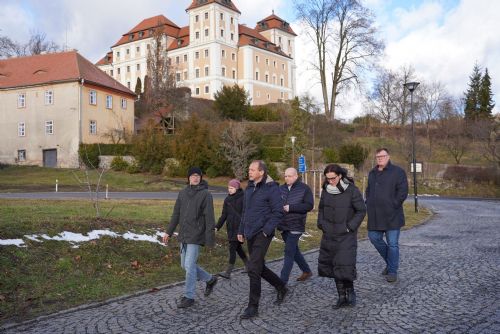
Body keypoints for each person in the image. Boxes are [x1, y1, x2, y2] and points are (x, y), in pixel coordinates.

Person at [237, 160, 288, 319]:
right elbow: (245, 211)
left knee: (253, 268)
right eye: (249, 170)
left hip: (263, 233)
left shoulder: (271, 188)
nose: (249, 172)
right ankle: (281, 286)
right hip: (250, 232)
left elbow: (278, 211)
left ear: (261, 172)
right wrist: (241, 230)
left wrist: (267, 230)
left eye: (252, 170)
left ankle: (253, 306)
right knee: (259, 267)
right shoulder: (249, 188)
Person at [162, 167, 218, 308]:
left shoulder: (206, 195)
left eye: (197, 175)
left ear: (200, 177)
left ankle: (189, 296)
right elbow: (176, 215)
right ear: (188, 178)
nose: (195, 178)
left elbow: (210, 218)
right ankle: (210, 279)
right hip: (184, 234)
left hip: (196, 235)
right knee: (185, 265)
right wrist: (168, 232)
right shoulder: (183, 193)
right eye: (192, 175)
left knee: (189, 266)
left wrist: (210, 238)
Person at [317, 164, 366, 308]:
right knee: (333, 266)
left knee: (345, 265)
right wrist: (321, 224)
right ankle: (341, 296)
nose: (330, 181)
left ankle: (350, 294)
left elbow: (361, 210)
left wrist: (349, 227)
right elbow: (320, 209)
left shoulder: (352, 190)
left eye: (333, 178)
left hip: (346, 235)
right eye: (328, 178)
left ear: (340, 176)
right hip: (329, 235)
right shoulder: (326, 190)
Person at [365, 148, 408, 283]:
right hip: (375, 215)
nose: (380, 158)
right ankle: (390, 263)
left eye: (382, 156)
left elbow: (403, 192)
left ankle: (392, 271)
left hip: (392, 215)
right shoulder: (372, 173)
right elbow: (369, 190)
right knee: (374, 238)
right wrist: (368, 202)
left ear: (388, 157)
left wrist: (393, 204)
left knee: (393, 244)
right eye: (378, 156)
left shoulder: (398, 172)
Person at [278, 167, 314, 284]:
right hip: (283, 225)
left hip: (296, 225)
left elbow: (309, 205)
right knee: (294, 250)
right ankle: (307, 271)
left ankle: (282, 282)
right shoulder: (281, 188)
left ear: (295, 176)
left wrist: (291, 208)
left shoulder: (304, 189)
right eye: (285, 176)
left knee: (289, 251)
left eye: (289, 176)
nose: (286, 178)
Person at [215, 179, 248, 279]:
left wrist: (243, 229)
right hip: (230, 228)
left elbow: (245, 214)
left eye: (232, 188)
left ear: (237, 188)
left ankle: (228, 272)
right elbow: (224, 215)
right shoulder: (227, 200)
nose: (229, 190)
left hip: (239, 228)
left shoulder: (243, 198)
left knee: (232, 248)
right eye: (228, 188)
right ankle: (249, 266)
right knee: (238, 248)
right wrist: (217, 226)